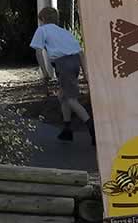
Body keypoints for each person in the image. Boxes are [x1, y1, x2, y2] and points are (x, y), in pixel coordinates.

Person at [31, 7, 94, 142]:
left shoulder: (42, 30)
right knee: (62, 96)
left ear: (42, 20)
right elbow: (80, 52)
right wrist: (85, 73)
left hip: (63, 64)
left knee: (71, 99)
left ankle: (92, 128)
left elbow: (38, 51)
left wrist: (45, 72)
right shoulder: (65, 32)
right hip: (74, 63)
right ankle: (67, 129)